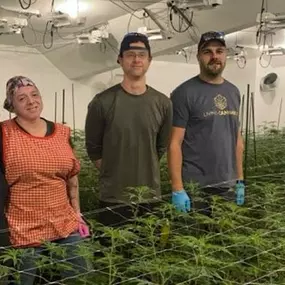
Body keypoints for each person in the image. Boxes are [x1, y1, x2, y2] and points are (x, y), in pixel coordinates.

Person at [1, 76, 90, 284]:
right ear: (11, 105)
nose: (31, 101)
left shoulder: (61, 132)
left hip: (64, 222)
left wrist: (77, 213)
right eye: (21, 98)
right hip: (22, 227)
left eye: (34, 95)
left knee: (80, 276)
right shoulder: (4, 133)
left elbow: (72, 177)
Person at [85, 32, 173, 227]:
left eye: (141, 54)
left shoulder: (163, 103)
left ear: (149, 60)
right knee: (113, 255)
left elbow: (160, 146)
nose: (136, 59)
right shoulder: (102, 102)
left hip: (149, 197)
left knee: (148, 253)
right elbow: (93, 148)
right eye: (130, 54)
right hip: (114, 198)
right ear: (120, 60)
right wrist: (114, 171)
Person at [168, 31, 245, 214]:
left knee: (225, 240)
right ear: (198, 56)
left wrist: (240, 180)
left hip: (227, 185)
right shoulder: (184, 93)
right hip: (195, 187)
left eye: (219, 51)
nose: (214, 56)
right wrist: (177, 188)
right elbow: (174, 143)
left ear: (226, 55)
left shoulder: (233, 91)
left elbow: (237, 139)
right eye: (208, 52)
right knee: (195, 241)